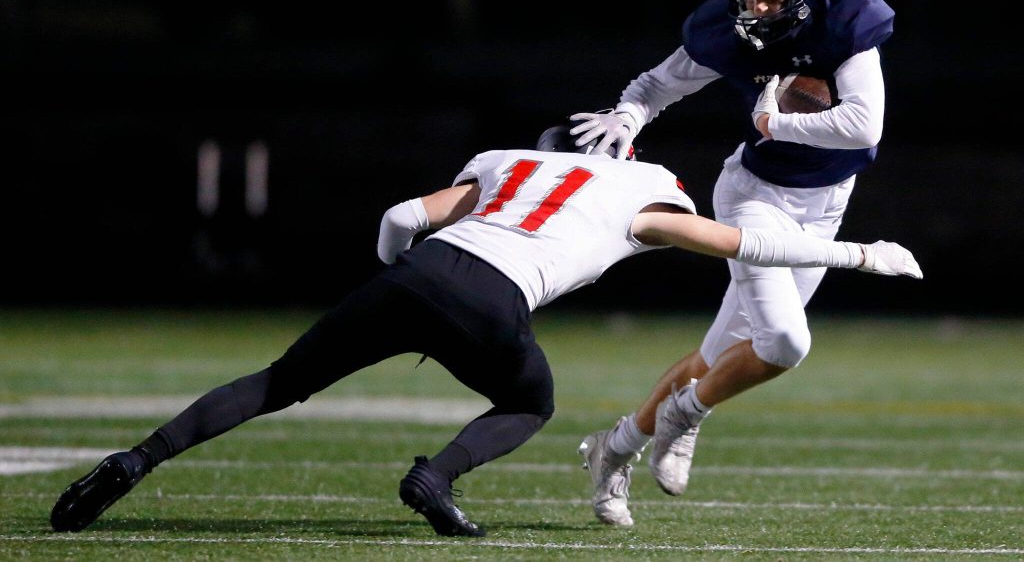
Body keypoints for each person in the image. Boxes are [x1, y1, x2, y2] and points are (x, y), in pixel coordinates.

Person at [49, 125, 919, 538]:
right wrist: (860, 253)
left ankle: (134, 461)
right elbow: (743, 240)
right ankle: (435, 476)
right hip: (497, 297)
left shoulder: (507, 164)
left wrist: (399, 284)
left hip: (423, 269)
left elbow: (399, 216)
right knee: (532, 400)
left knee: (279, 380)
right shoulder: (641, 186)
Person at [569, 0, 900, 526]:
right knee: (782, 341)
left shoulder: (850, 20)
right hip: (753, 195)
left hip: (827, 201)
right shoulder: (725, 28)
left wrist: (777, 122)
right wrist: (627, 116)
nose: (758, 8)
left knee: (721, 354)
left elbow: (862, 127)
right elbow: (657, 84)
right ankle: (686, 415)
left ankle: (612, 451)